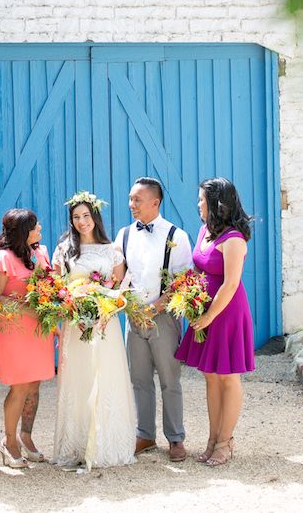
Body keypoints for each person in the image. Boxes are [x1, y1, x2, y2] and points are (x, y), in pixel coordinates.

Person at [51, 191, 136, 470]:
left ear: (95, 216)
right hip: (76, 327)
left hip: (104, 326)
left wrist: (105, 310)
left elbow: (120, 289)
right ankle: (76, 445)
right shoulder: (64, 249)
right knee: (79, 379)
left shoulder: (111, 250)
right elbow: (56, 287)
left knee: (106, 377)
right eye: (76, 217)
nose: (81, 221)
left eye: (86, 215)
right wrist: (72, 307)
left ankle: (106, 447)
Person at [175, 177, 255, 466]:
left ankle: (226, 441)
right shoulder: (203, 231)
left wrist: (209, 315)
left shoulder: (233, 238)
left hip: (227, 313)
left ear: (216, 203)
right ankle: (212, 438)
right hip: (205, 312)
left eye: (201, 200)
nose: (198, 204)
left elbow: (231, 284)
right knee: (211, 376)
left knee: (228, 376)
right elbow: (198, 270)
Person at [115, 177, 192, 462]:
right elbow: (118, 276)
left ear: (155, 202)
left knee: (170, 379)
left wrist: (156, 307)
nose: (131, 204)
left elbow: (184, 280)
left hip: (164, 317)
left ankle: (175, 438)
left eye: (137, 200)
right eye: (131, 199)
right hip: (132, 319)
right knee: (139, 379)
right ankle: (145, 434)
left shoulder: (177, 235)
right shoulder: (123, 234)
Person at [0, 209, 55, 468]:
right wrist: (26, 307)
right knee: (19, 387)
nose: (40, 229)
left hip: (38, 330)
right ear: (23, 232)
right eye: (35, 227)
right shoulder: (2, 259)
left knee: (34, 386)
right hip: (13, 330)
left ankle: (26, 436)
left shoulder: (41, 253)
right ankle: (9, 441)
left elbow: (49, 287)